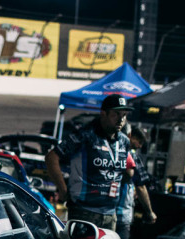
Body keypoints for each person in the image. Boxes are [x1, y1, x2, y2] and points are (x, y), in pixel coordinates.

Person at [45, 94, 137, 229]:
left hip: (111, 213)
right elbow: (51, 157)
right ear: (103, 114)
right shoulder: (85, 135)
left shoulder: (124, 141)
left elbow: (127, 172)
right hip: (84, 211)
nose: (120, 120)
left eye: (124, 115)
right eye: (116, 114)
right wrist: (63, 190)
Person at [114, 126, 157, 239]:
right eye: (139, 142)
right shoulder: (131, 157)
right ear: (130, 136)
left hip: (104, 211)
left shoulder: (110, 150)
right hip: (121, 214)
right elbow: (141, 186)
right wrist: (149, 212)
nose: (139, 146)